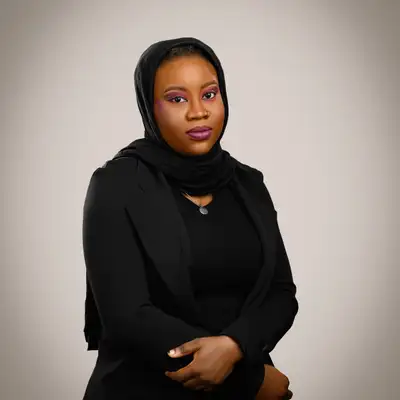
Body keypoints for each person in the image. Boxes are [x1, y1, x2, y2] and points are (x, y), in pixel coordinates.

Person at [82, 37, 298, 400]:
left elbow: (281, 294)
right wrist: (249, 381)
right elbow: (126, 316)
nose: (198, 112)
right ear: (149, 107)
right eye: (177, 99)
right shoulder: (116, 185)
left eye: (209, 94)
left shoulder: (249, 184)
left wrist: (234, 346)